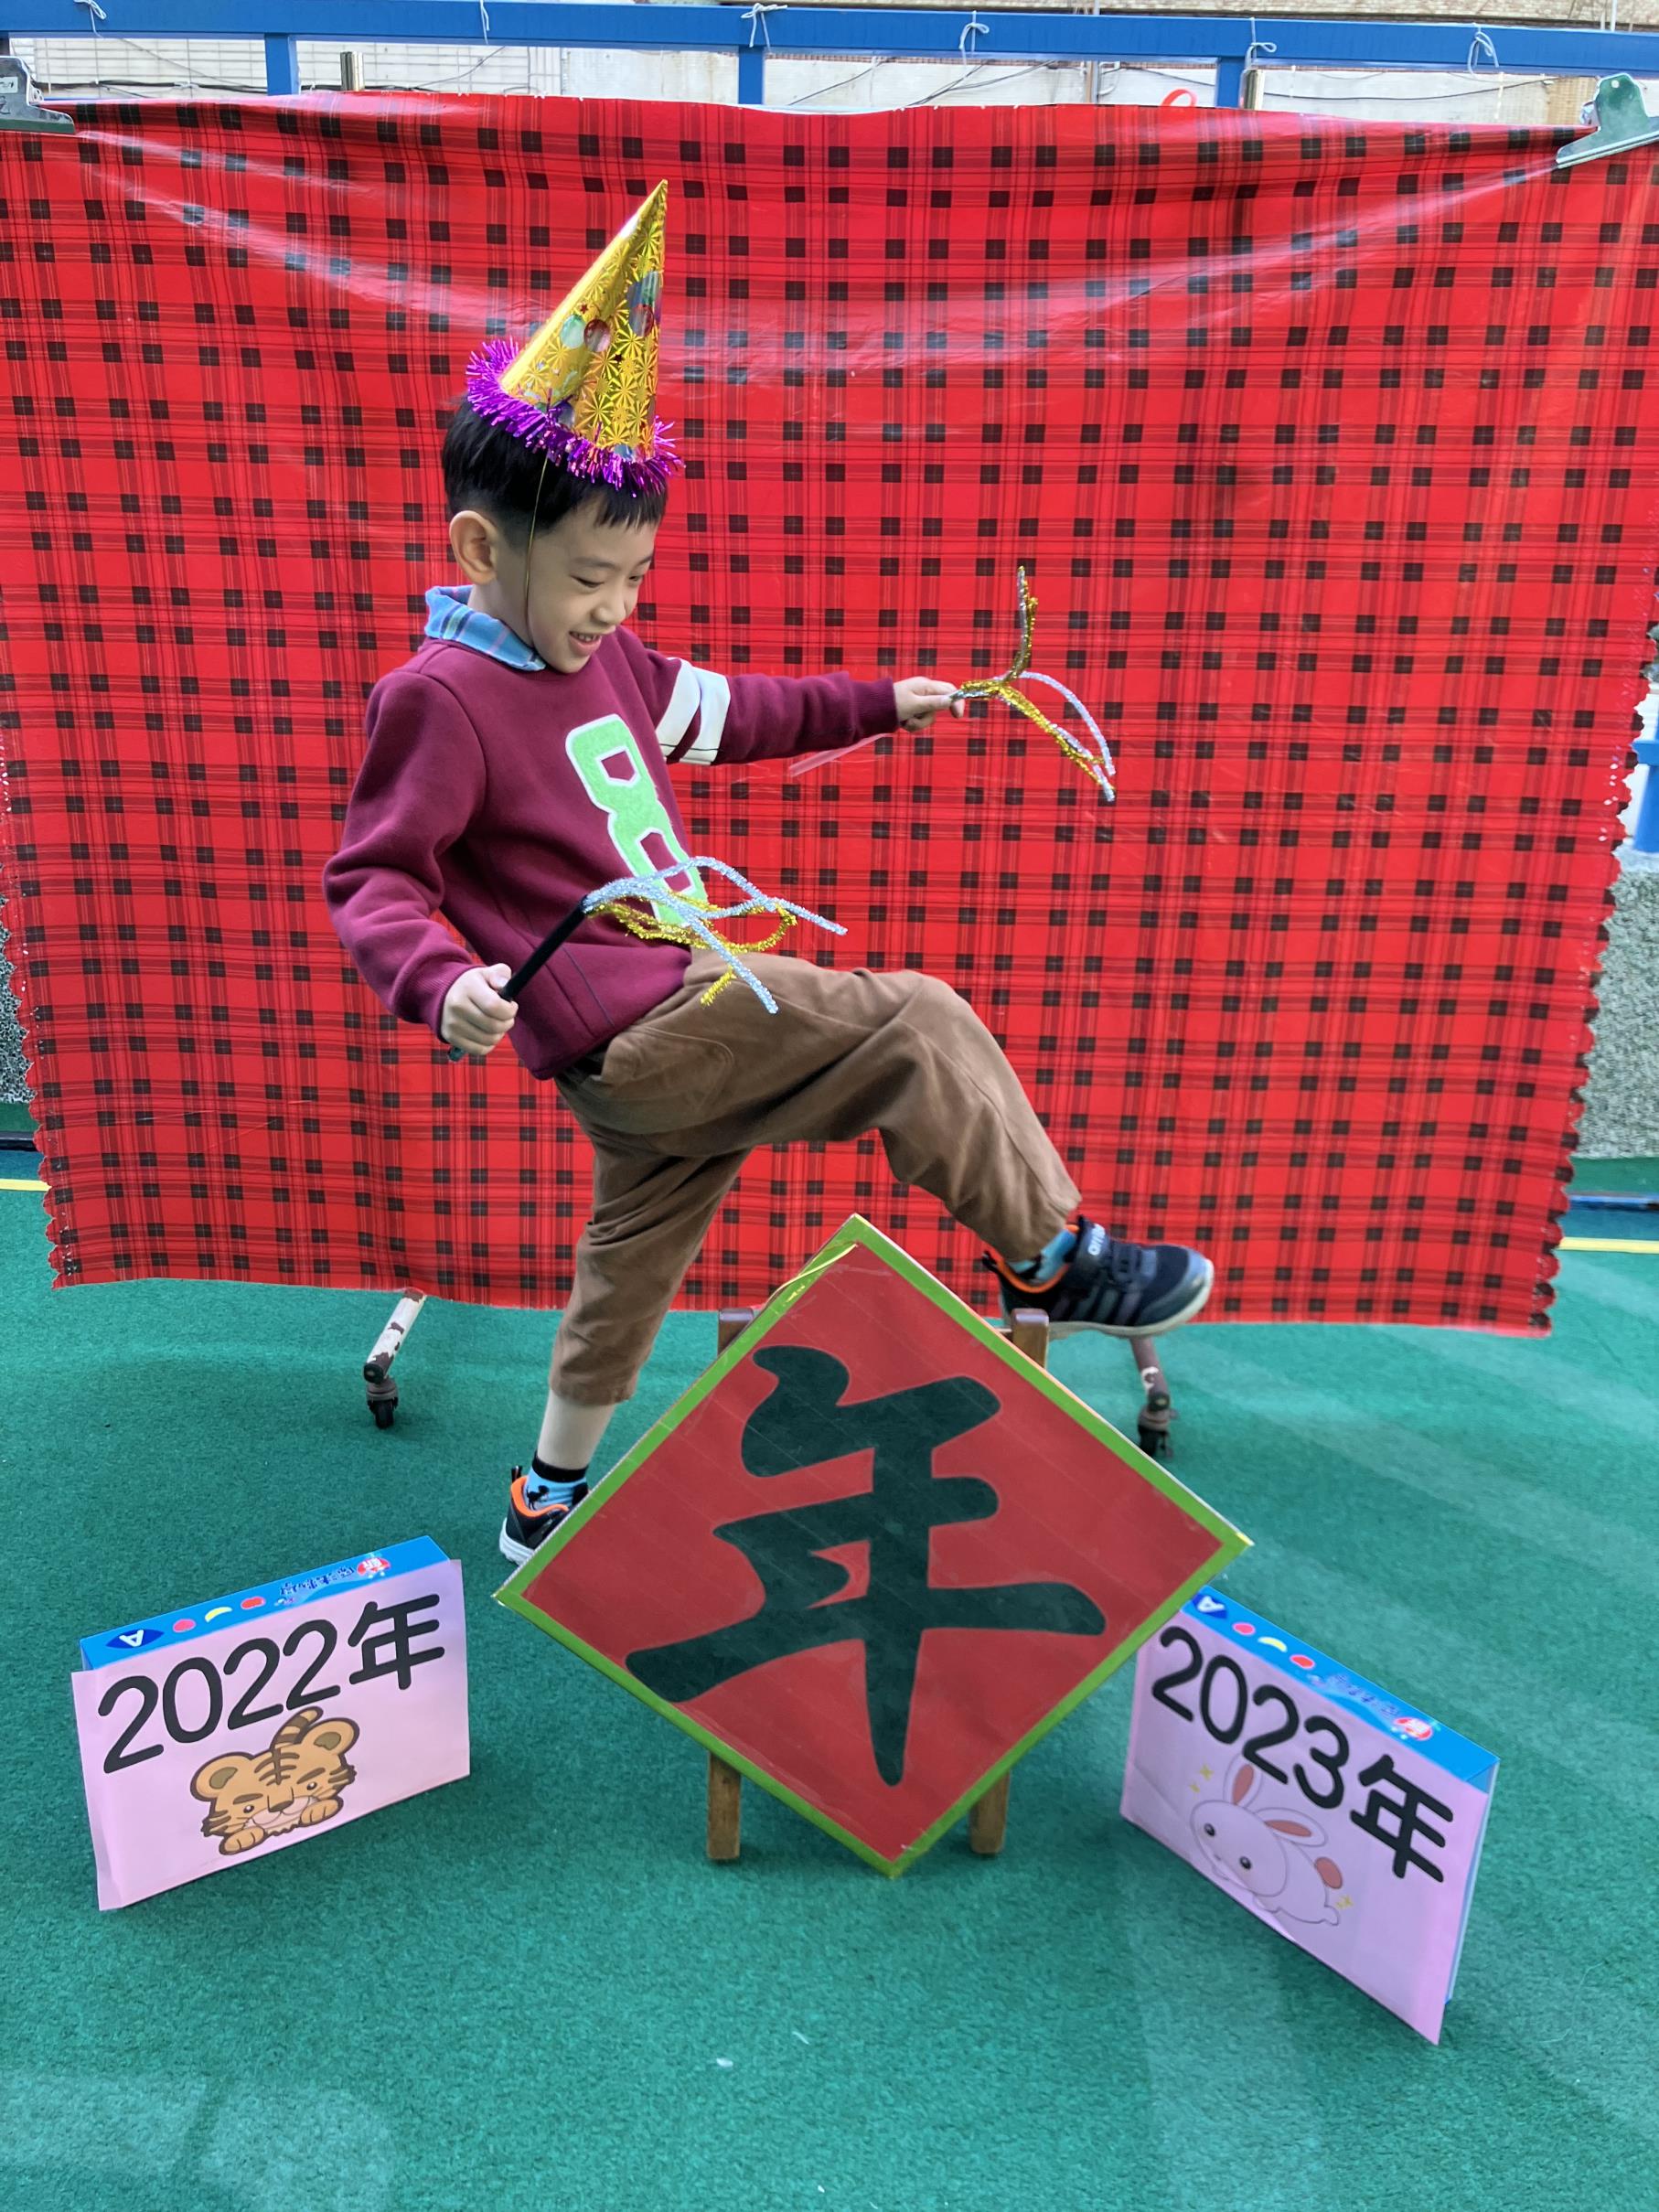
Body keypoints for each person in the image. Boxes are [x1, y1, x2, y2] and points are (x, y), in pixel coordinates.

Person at [324, 184, 1214, 1567]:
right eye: (589, 578)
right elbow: (375, 877)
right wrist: (440, 986)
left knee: (626, 1273)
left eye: (633, 576)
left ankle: (544, 1495)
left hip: (650, 1043)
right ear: (482, 551)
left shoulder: (610, 658)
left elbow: (735, 713)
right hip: (649, 1022)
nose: (614, 608)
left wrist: (886, 703)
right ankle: (1049, 1257)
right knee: (913, 1021)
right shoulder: (439, 699)